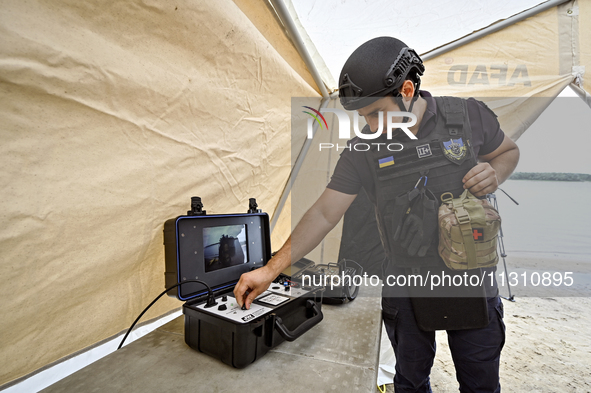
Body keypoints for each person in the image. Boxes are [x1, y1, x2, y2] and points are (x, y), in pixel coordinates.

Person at [235, 37, 519, 392]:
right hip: (406, 282)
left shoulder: (467, 115)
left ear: (407, 89)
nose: (370, 125)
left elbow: (507, 151)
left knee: (481, 384)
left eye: (375, 113)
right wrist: (270, 269)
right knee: (410, 382)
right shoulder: (363, 149)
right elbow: (325, 212)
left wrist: (496, 173)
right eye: (363, 117)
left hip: (471, 279)